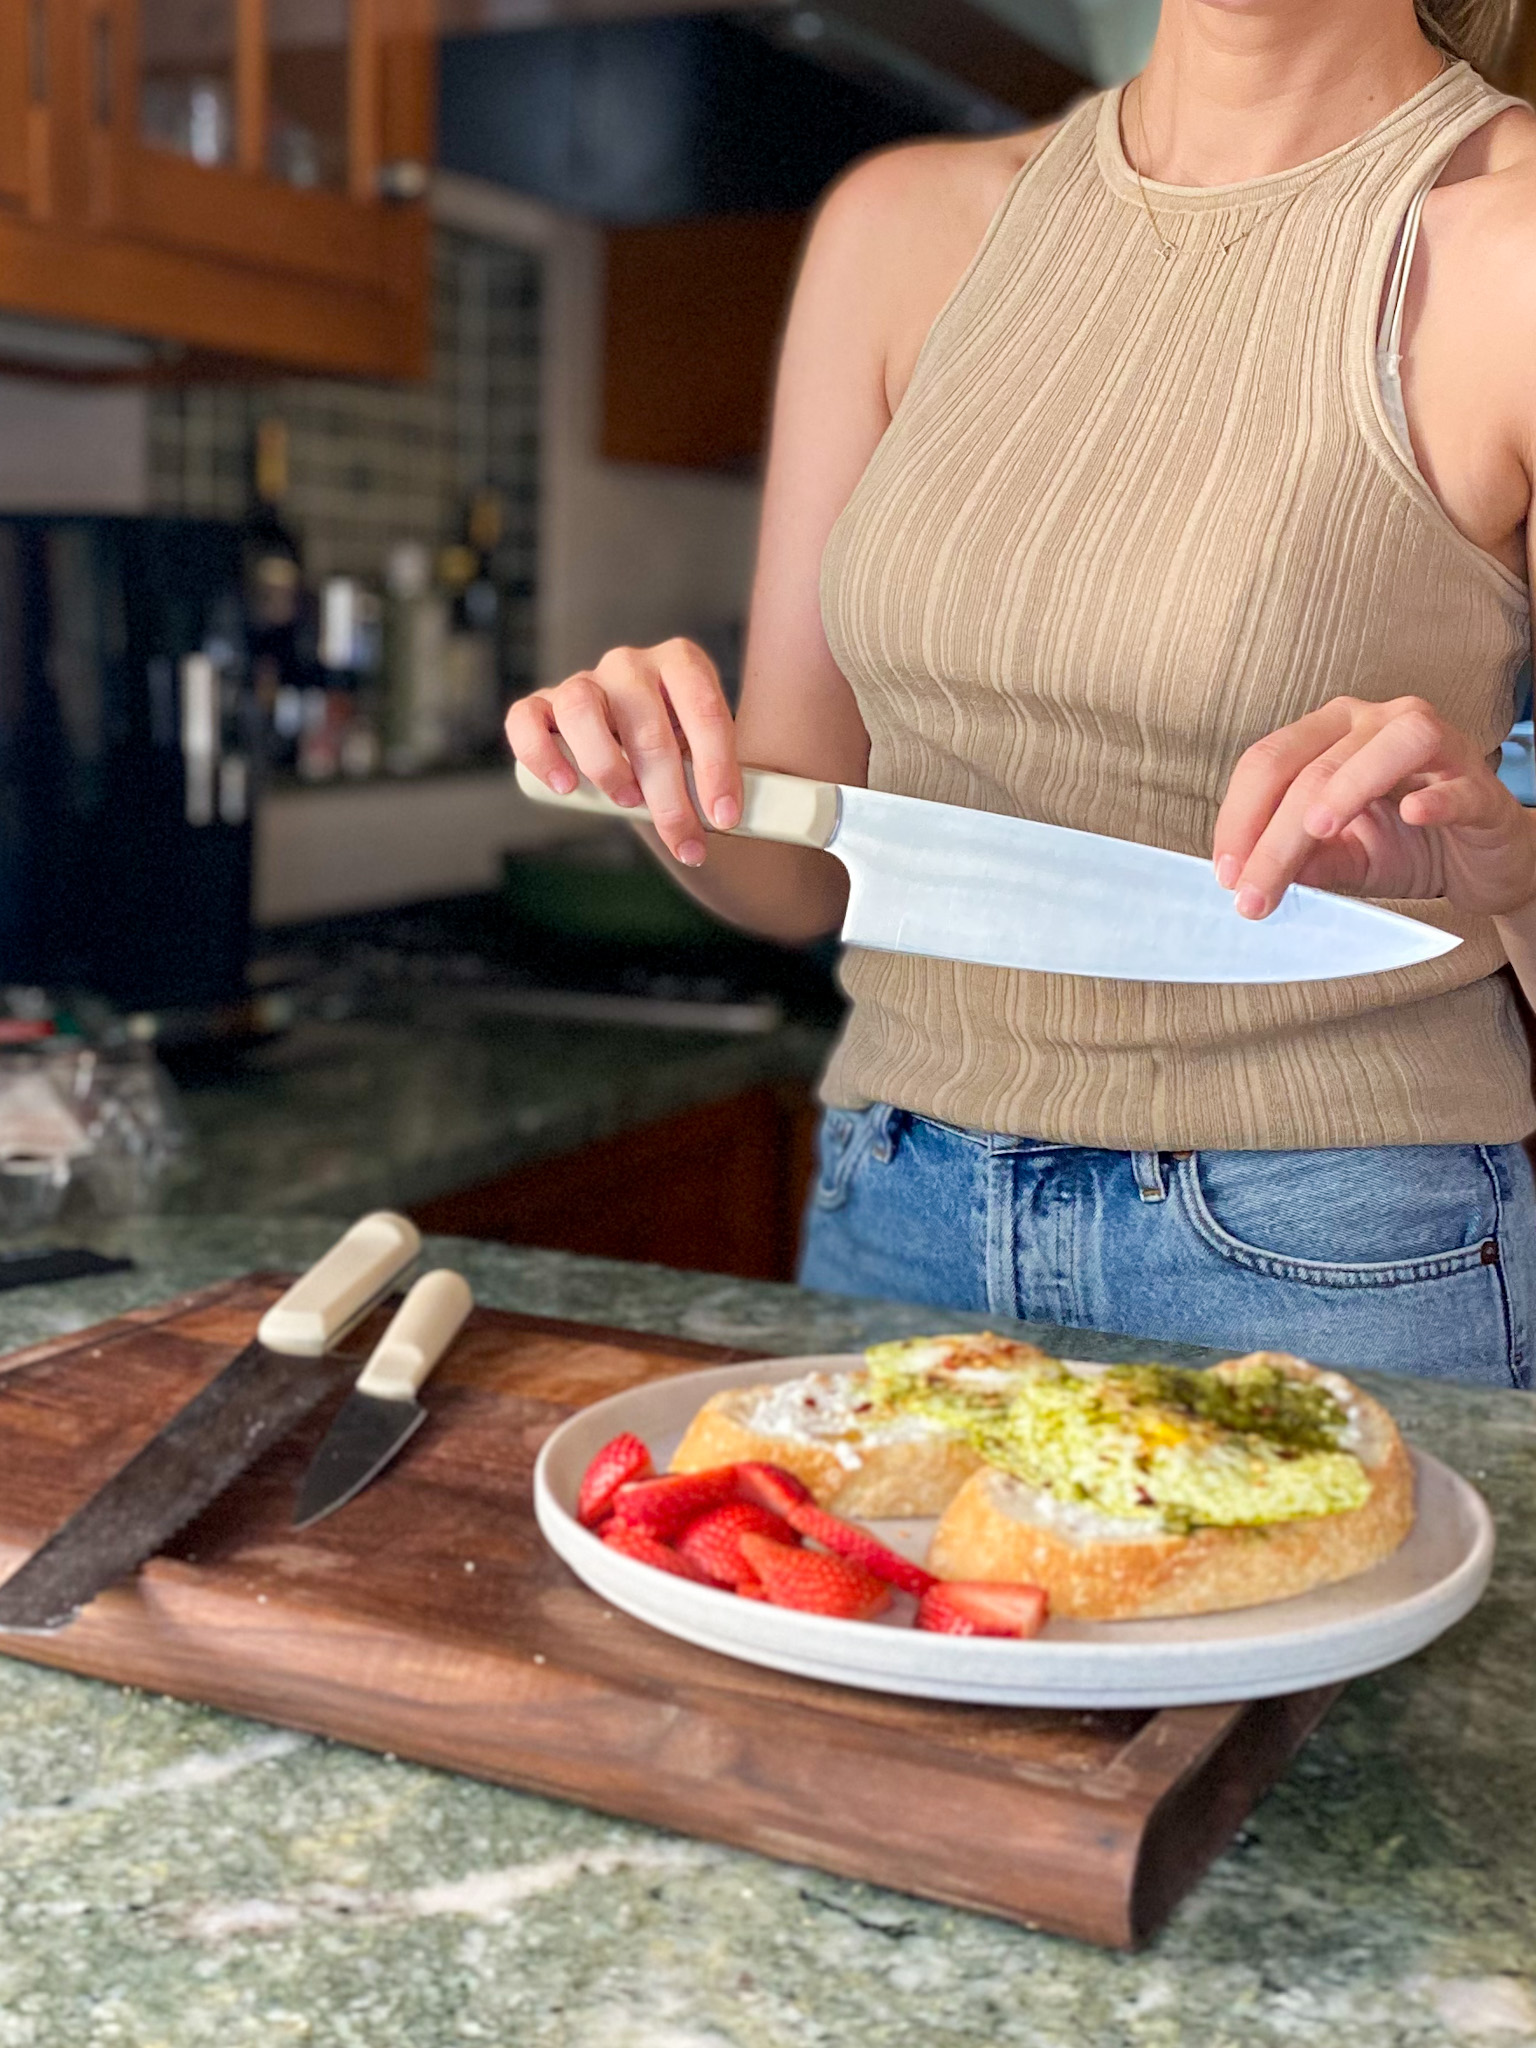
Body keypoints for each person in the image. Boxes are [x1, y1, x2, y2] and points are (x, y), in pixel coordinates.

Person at [509, 0, 1536, 1388]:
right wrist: (653, 775)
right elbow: (798, 880)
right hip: (893, 1208)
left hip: (1338, 1253)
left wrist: (1506, 864)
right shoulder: (899, 228)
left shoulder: (1514, 247)